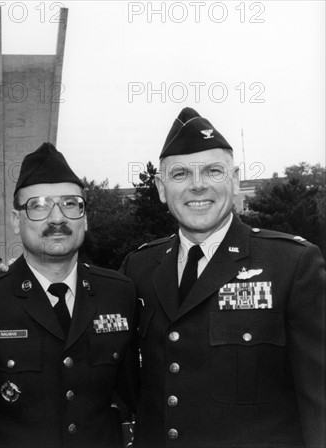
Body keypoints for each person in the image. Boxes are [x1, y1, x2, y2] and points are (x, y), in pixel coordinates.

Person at [120, 107, 326, 448]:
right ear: (160, 187)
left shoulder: (292, 265)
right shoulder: (138, 267)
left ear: (234, 180)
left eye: (213, 171)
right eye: (181, 174)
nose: (197, 186)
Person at [0, 143, 139, 448]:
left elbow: (141, 398)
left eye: (71, 204)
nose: (57, 218)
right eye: (39, 205)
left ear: (84, 218)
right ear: (17, 221)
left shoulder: (119, 293)